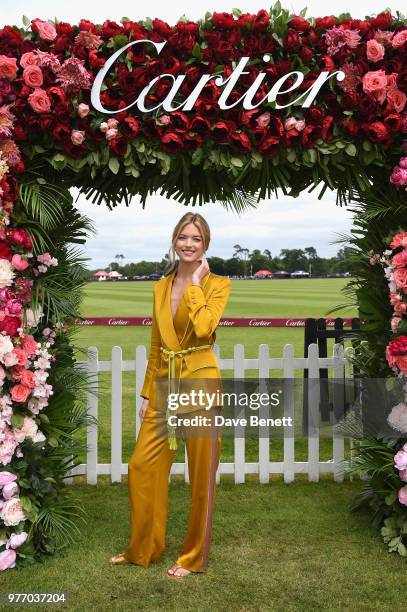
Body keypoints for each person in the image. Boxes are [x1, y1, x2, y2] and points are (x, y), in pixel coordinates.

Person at [110, 212, 231, 578]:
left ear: (205, 244)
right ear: (174, 240)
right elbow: (156, 344)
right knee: (142, 466)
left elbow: (206, 327)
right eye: (183, 236)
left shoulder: (218, 284)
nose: (188, 243)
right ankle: (142, 549)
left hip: (200, 381)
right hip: (165, 384)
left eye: (196, 238)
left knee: (201, 475)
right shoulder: (159, 287)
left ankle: (193, 557)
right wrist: (147, 392)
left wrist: (195, 284)